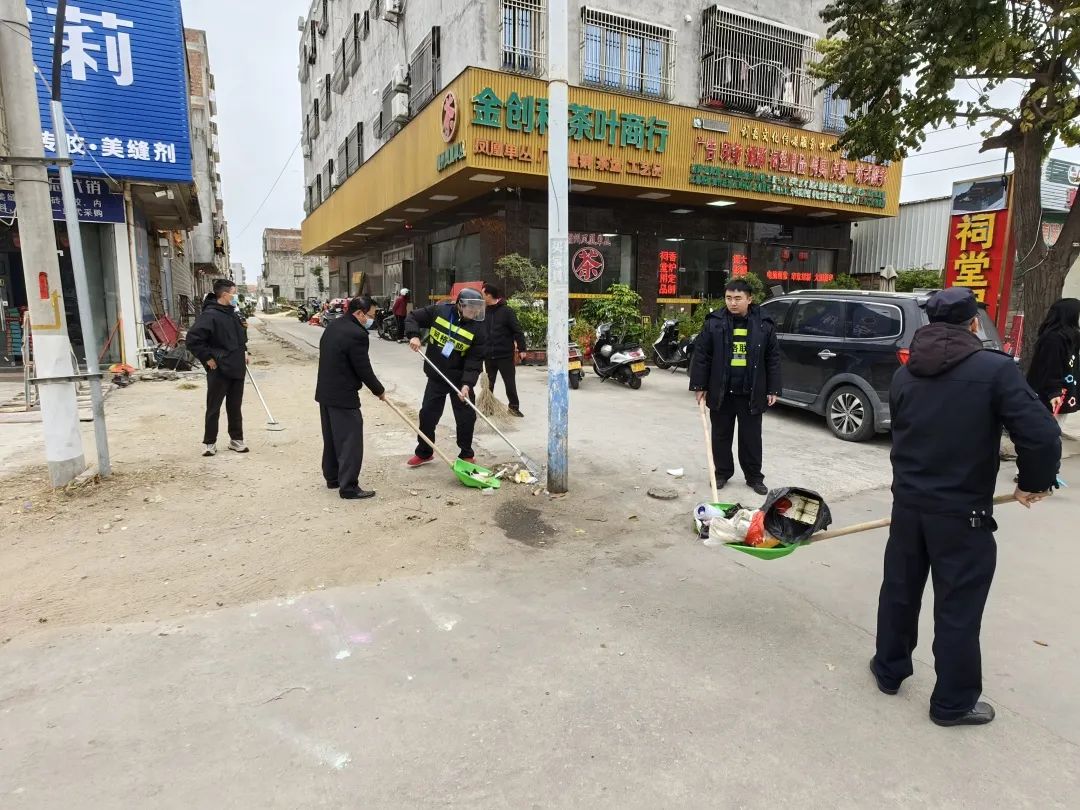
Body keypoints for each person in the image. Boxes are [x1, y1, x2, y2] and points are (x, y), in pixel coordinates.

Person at [871, 287, 1060, 727]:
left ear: (929, 323)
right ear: (974, 323)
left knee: (899, 590)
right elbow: (1041, 434)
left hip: (909, 506)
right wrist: (1033, 483)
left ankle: (888, 670)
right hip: (961, 514)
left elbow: (902, 434)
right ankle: (952, 703)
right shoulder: (995, 370)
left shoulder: (905, 373)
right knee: (958, 606)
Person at [689, 278, 781, 496]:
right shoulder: (714, 323)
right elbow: (702, 355)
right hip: (722, 391)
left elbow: (773, 358)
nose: (732, 303)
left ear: (749, 299)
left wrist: (773, 388)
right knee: (720, 435)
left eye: (738, 298)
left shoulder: (764, 324)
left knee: (751, 438)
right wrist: (699, 385)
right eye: (729, 298)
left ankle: (754, 477)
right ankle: (722, 473)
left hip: (751, 391)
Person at [404, 287, 487, 466]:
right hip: (437, 375)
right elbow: (412, 317)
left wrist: (467, 384)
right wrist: (414, 336)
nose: (474, 312)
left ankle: (466, 454)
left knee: (466, 418)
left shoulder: (479, 328)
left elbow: (474, 360)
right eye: (471, 308)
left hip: (460, 380)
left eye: (477, 309)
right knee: (427, 415)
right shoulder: (439, 311)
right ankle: (424, 452)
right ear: (460, 305)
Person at [315, 295, 386, 500]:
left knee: (331, 438)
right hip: (343, 394)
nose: (371, 320)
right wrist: (379, 390)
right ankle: (348, 487)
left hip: (325, 392)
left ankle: (333, 478)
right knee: (350, 440)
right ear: (359, 313)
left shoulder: (334, 325)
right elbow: (363, 368)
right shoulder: (357, 334)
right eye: (370, 315)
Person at [186, 279, 250, 457]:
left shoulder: (234, 313)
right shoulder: (210, 315)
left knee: (235, 406)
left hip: (237, 366)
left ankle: (236, 439)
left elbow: (241, 338)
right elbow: (193, 340)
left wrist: (245, 351)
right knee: (214, 407)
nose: (235, 296)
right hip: (219, 368)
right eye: (234, 293)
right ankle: (209, 442)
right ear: (224, 294)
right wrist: (207, 358)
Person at [1026, 298, 1080, 422]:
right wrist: (1054, 392)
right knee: (1045, 429)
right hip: (1050, 396)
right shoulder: (1053, 339)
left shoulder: (1070, 338)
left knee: (1053, 428)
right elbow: (1051, 366)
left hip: (1064, 393)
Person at [481, 282, 527, 417]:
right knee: (488, 384)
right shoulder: (483, 312)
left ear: (489, 295)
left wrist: (522, 349)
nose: (481, 297)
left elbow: (517, 331)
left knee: (509, 383)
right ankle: (487, 407)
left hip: (504, 355)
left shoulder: (507, 312)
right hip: (489, 355)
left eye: (483, 294)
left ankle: (514, 408)